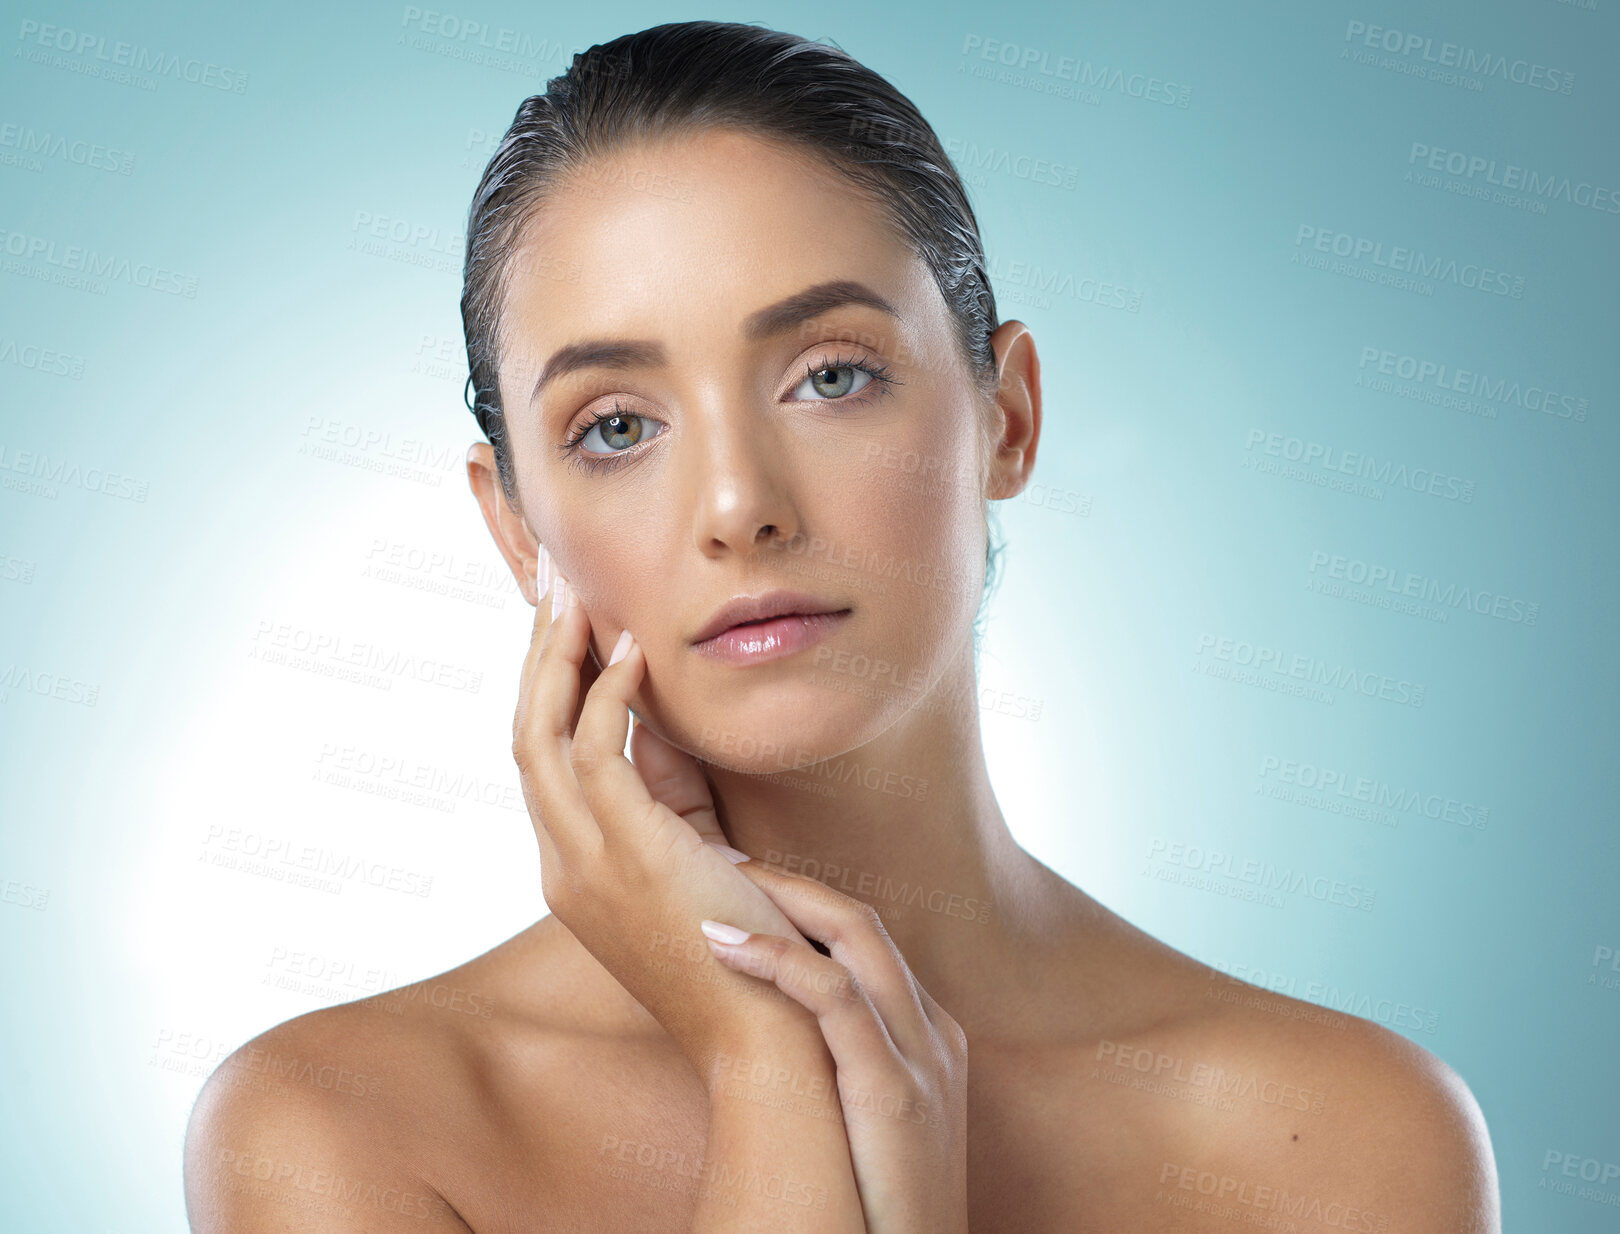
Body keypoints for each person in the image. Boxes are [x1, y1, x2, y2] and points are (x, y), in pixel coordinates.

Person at [184, 20, 1500, 1232]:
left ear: (1008, 415)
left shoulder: (1345, 1143)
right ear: (515, 527)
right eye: (618, 426)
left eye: (830, 375)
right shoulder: (340, 1130)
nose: (740, 504)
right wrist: (769, 1074)